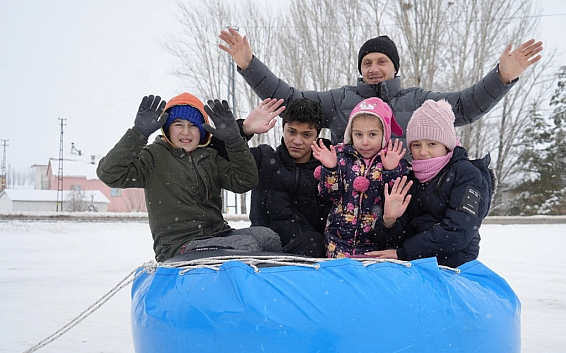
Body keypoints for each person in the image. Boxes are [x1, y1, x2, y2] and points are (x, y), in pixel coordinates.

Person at [219, 28, 542, 146]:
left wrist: (502, 76)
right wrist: (249, 64)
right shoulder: (339, 100)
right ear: (360, 69)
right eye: (367, 63)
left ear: (394, 67)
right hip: (348, 201)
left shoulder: (417, 100)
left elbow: (463, 107)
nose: (374, 68)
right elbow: (290, 101)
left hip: (400, 200)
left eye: (381, 62)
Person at [96, 93, 282, 262]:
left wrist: (234, 140)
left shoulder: (209, 156)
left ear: (202, 131)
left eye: (193, 125)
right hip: (179, 246)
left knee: (267, 237)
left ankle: (269, 294)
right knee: (246, 246)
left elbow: (245, 181)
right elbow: (109, 173)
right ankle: (239, 296)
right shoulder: (153, 156)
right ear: (167, 129)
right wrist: (138, 133)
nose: (186, 132)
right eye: (178, 125)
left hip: (218, 234)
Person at [366, 99, 494, 268]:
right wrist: (389, 221)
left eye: (431, 144)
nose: (423, 152)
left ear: (446, 145)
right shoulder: (410, 178)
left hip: (452, 267)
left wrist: (404, 253)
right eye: (417, 145)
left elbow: (458, 231)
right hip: (412, 265)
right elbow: (392, 242)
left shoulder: (467, 174)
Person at [311, 97, 409, 258]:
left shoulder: (392, 161)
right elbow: (328, 195)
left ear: (384, 134)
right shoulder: (341, 158)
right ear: (350, 134)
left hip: (374, 246)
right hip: (338, 243)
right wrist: (331, 169)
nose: (364, 142)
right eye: (358, 134)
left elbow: (393, 200)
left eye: (372, 134)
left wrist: (391, 171)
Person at [240, 97, 334, 258]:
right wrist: (244, 130)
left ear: (316, 136)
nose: (297, 141)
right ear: (283, 129)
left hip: (307, 256)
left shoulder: (327, 170)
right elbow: (219, 158)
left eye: (306, 134)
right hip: (262, 253)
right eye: (292, 132)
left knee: (314, 241)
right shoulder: (264, 159)